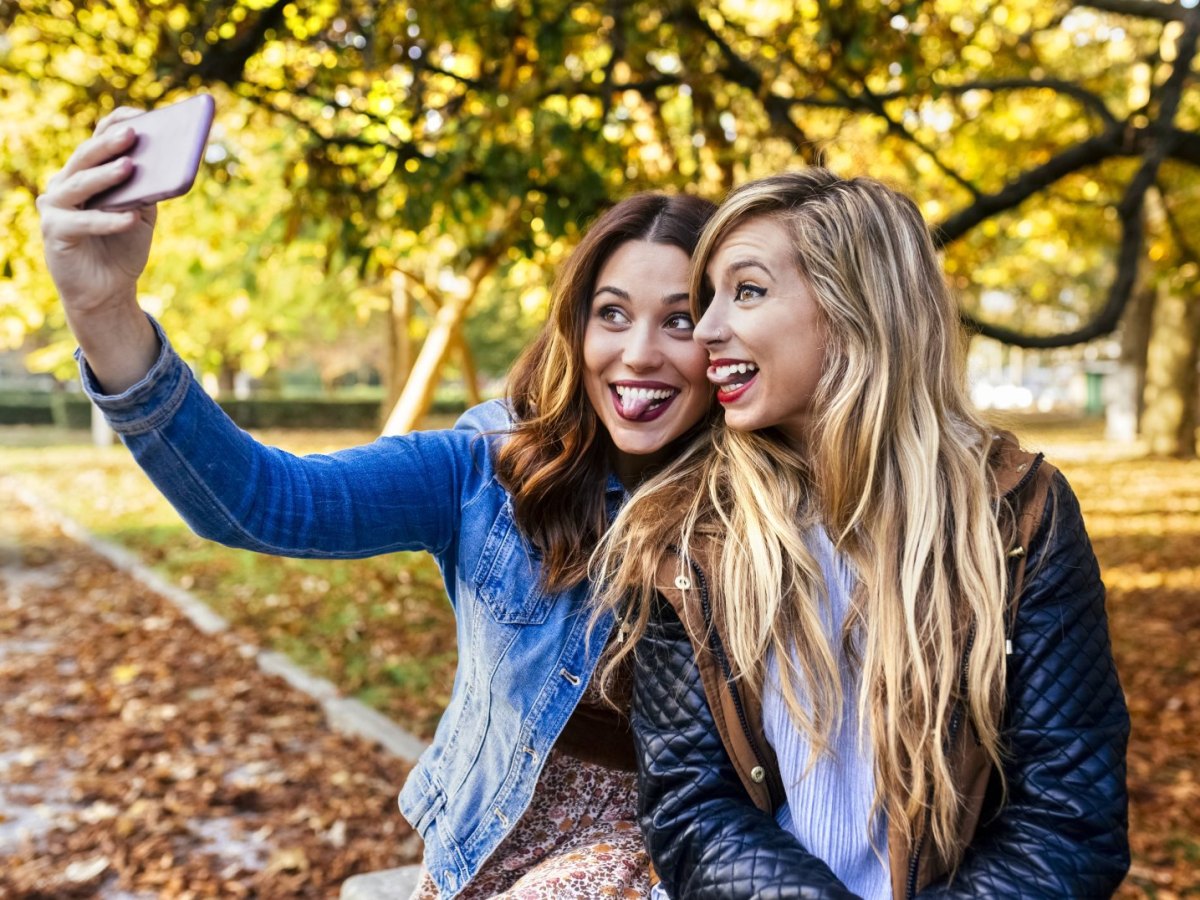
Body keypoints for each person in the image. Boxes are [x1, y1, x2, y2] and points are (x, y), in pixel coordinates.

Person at [37, 107, 718, 899]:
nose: (640, 353)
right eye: (612, 314)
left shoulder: (768, 503)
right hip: (490, 835)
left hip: (663, 848)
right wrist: (104, 314)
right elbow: (264, 500)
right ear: (576, 327)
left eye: (681, 320)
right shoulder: (489, 471)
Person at [592, 169, 1130, 898]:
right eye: (710, 298)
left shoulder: (1016, 512)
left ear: (855, 307)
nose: (709, 329)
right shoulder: (688, 535)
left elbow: (1071, 821)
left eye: (746, 291)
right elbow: (691, 809)